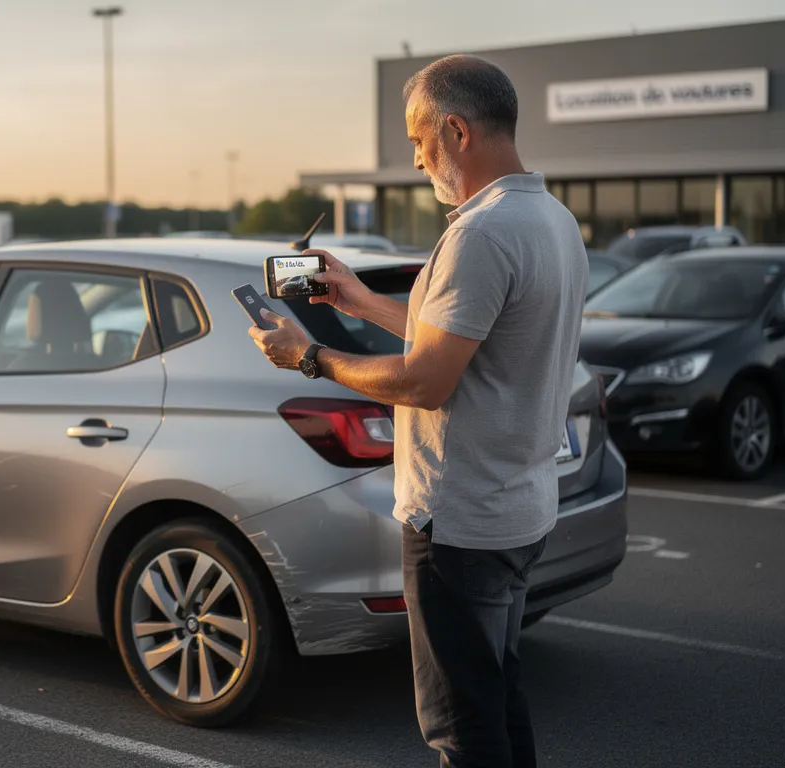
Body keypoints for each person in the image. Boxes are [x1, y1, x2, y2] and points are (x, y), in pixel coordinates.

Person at [248, 54, 587, 767]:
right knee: (497, 696)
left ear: (457, 130)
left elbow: (427, 381)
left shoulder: (480, 233)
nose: (416, 155)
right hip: (519, 508)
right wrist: (360, 300)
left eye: (419, 138)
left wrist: (307, 357)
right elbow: (461, 340)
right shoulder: (551, 219)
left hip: (460, 521)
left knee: (459, 728)